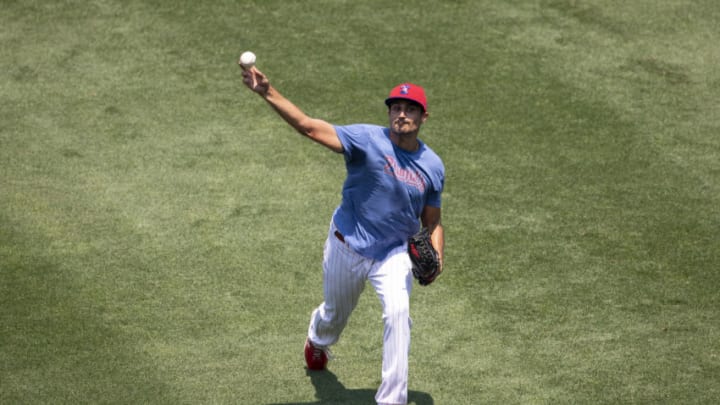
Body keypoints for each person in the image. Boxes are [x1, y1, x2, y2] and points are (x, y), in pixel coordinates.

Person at [239, 60, 445, 405]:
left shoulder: (432, 165)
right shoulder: (365, 139)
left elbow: (433, 221)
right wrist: (267, 92)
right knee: (334, 315)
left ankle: (391, 400)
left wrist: (437, 255)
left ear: (424, 117)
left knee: (398, 312)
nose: (402, 114)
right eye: (396, 107)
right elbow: (307, 127)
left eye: (410, 109)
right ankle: (318, 340)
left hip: (395, 253)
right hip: (348, 244)